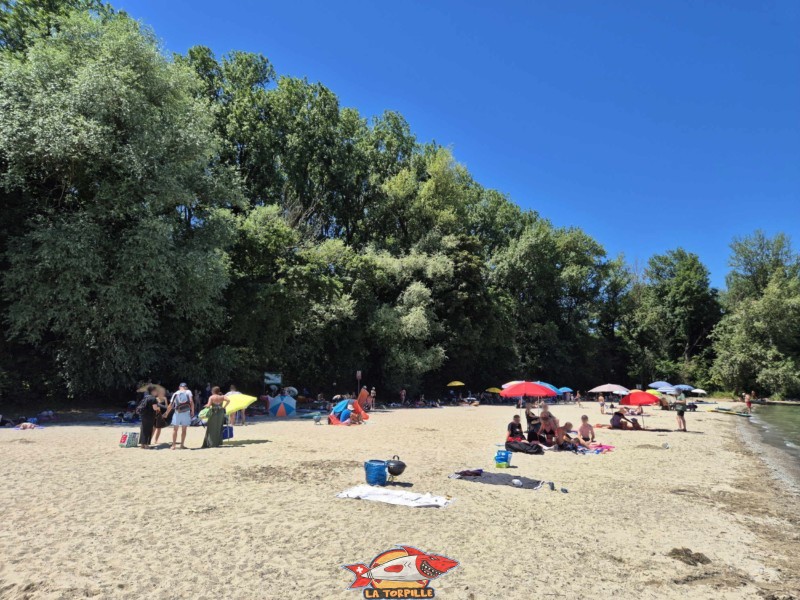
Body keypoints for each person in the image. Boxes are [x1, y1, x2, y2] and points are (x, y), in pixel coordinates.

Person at [165, 382, 194, 449]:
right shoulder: (188, 392)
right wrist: (192, 411)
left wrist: (166, 413)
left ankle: (173, 445)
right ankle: (182, 445)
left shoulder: (175, 393)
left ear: (179, 387)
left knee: (175, 429)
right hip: (186, 412)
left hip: (177, 413)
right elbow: (191, 402)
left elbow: (171, 405)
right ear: (186, 387)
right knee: (184, 429)